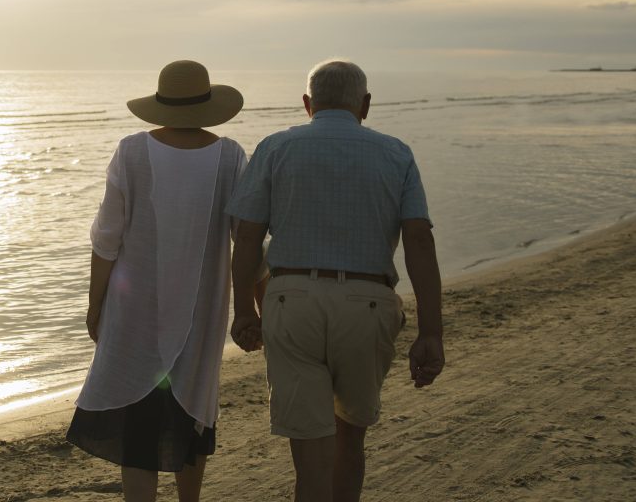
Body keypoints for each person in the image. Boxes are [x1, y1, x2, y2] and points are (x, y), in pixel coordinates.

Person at [228, 59, 444, 502]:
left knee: (310, 455)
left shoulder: (275, 147)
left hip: (292, 302)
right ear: (365, 104)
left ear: (307, 103)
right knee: (350, 439)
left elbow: (247, 236)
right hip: (368, 303)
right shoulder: (396, 152)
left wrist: (244, 310)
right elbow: (419, 240)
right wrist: (431, 331)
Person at [66, 59, 253, 502]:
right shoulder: (229, 156)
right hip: (201, 312)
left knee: (139, 423)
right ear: (207, 105)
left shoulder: (132, 151)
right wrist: (252, 307)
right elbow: (245, 241)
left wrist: (96, 306)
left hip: (136, 313)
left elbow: (106, 240)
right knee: (192, 412)